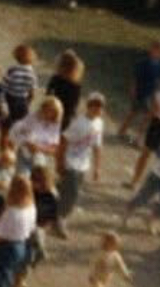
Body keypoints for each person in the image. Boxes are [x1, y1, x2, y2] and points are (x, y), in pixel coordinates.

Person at [58, 92, 105, 224]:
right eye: (95, 105)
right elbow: (64, 141)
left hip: (83, 163)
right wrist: (60, 161)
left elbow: (97, 146)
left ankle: (54, 212)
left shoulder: (99, 123)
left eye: (101, 106)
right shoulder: (78, 123)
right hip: (71, 161)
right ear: (88, 106)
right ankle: (61, 219)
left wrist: (97, 168)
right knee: (72, 194)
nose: (98, 109)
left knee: (67, 190)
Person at [0, 174, 35, 287]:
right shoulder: (31, 207)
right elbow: (31, 228)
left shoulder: (11, 212)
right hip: (21, 245)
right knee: (8, 275)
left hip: (6, 248)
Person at [118, 40, 160, 144]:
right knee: (133, 113)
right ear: (151, 50)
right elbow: (135, 78)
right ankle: (122, 131)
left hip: (151, 95)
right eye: (156, 49)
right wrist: (133, 89)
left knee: (148, 117)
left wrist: (158, 94)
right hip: (141, 92)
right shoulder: (143, 63)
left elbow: (159, 81)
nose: (158, 53)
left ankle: (138, 137)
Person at [8, 96, 64, 177]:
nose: (48, 113)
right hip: (24, 154)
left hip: (41, 159)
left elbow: (54, 149)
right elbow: (17, 131)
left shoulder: (56, 124)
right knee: (22, 179)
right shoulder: (32, 116)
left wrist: (38, 149)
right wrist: (26, 143)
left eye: (52, 111)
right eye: (47, 109)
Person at [46, 49, 85, 128]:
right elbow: (75, 103)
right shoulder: (76, 85)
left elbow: (48, 92)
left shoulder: (56, 78)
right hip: (66, 114)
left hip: (55, 109)